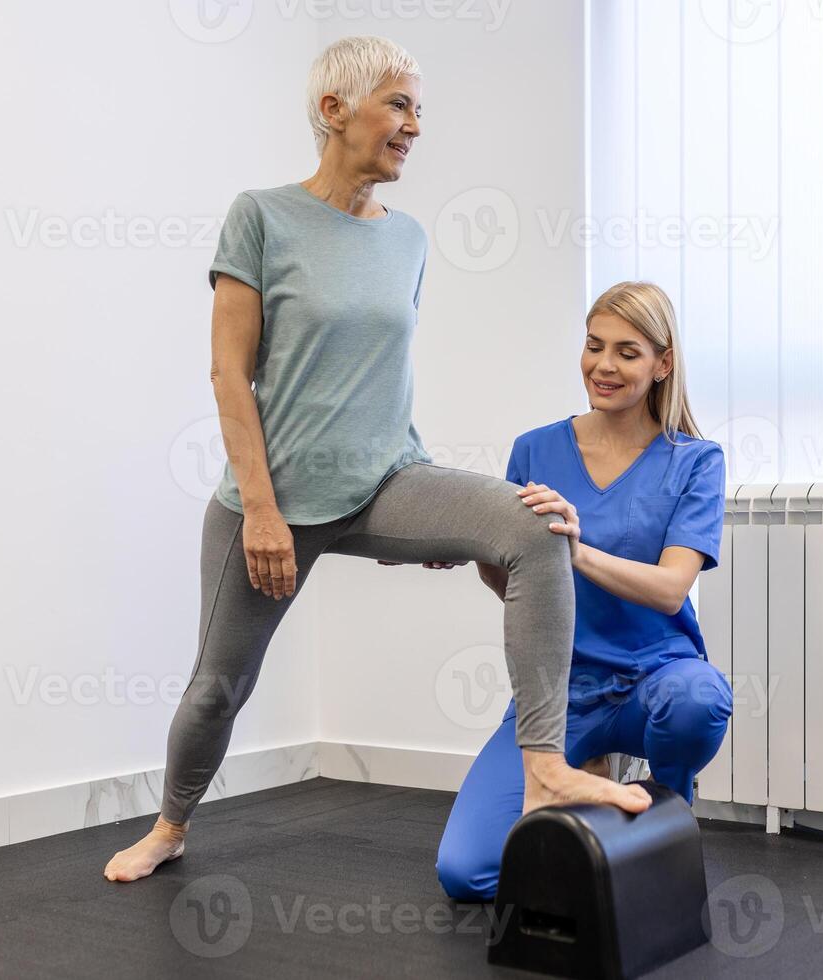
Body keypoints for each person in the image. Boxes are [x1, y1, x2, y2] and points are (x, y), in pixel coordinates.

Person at [104, 36, 650, 883]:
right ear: (334, 111)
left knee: (535, 526)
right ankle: (171, 824)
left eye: (419, 109)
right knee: (219, 688)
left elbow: (380, 378)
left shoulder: (410, 240)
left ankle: (543, 766)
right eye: (400, 105)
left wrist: (433, 497)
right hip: (273, 500)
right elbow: (230, 375)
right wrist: (259, 509)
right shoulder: (261, 216)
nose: (415, 127)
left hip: (386, 480)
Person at [434, 281, 733, 901]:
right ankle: (589, 780)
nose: (604, 365)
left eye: (627, 352)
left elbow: (672, 590)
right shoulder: (535, 449)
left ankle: (665, 815)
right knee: (467, 873)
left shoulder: (695, 461)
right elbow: (515, 582)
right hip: (558, 693)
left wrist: (575, 550)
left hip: (656, 680)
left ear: (662, 364)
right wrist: (467, 550)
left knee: (697, 703)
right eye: (594, 346)